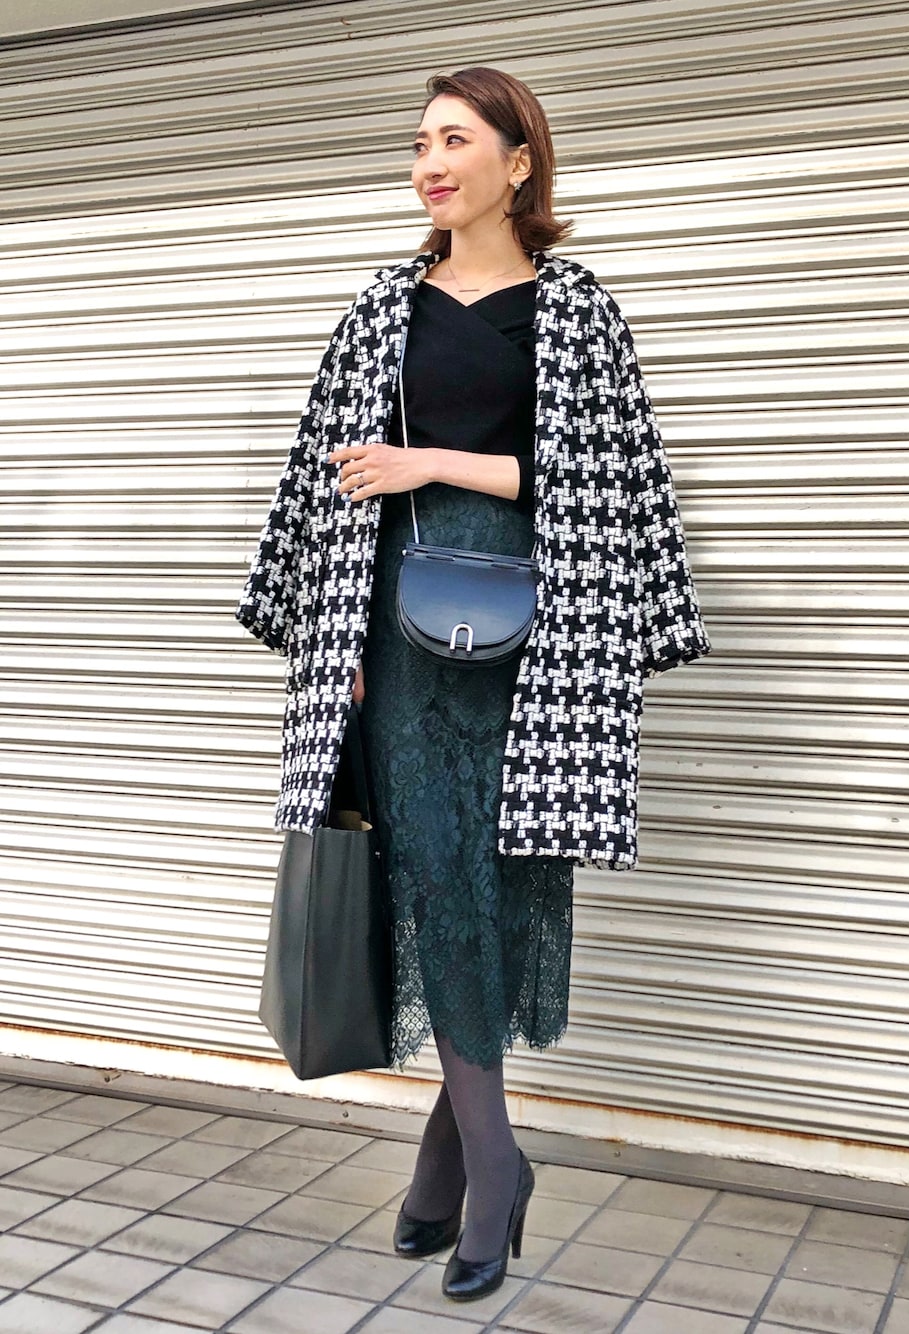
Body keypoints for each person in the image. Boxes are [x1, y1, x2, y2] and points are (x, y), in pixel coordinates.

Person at [237, 66, 709, 1303]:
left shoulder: (577, 309)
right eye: (419, 145)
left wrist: (433, 460)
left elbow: (609, 481)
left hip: (536, 642)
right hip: (397, 632)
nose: (429, 165)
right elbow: (329, 476)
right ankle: (495, 1162)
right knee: (438, 873)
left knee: (497, 884)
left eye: (454, 140)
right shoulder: (381, 306)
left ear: (518, 161)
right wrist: (327, 640)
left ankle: (453, 1157)